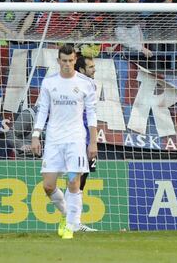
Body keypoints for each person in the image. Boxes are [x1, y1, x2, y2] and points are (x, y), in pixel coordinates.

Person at [31, 44, 97, 240]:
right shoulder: (49, 82)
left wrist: (93, 142)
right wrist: (36, 135)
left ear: (75, 60)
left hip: (76, 138)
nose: (67, 64)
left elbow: (92, 114)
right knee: (48, 185)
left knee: (73, 181)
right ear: (58, 61)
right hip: (53, 139)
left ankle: (70, 226)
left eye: (70, 61)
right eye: (64, 61)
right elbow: (43, 110)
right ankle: (67, 215)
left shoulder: (86, 83)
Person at [74, 54, 98, 232]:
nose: (94, 70)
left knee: (82, 181)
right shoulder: (76, 85)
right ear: (81, 70)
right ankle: (72, 220)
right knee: (76, 180)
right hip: (78, 138)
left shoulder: (91, 85)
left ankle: (75, 221)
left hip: (88, 139)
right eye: (90, 67)